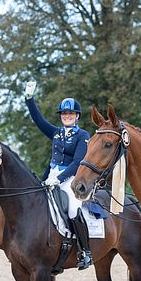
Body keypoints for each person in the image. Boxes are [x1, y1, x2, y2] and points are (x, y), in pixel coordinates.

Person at [24, 81, 93, 270]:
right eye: (64, 114)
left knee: (72, 208)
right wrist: (29, 99)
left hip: (70, 178)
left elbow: (78, 161)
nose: (67, 116)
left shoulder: (82, 135)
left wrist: (60, 178)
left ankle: (84, 252)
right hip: (50, 175)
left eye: (70, 114)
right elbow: (39, 121)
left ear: (77, 116)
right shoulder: (56, 133)